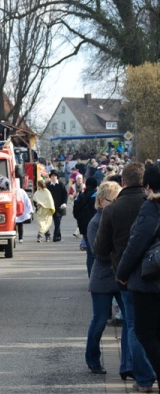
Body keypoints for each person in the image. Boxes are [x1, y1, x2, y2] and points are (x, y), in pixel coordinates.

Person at [94, 162, 155, 390]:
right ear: (145, 182)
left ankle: (144, 378)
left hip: (125, 276)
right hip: (155, 274)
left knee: (133, 325)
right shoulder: (152, 205)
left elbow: (100, 249)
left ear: (122, 182)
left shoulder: (112, 210)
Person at [117, 162, 160, 392]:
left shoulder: (151, 207)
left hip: (150, 281)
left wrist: (122, 274)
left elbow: (136, 244)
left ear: (149, 184)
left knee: (144, 331)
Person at [85, 181, 125, 375]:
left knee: (130, 321)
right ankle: (92, 359)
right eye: (113, 200)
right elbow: (98, 253)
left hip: (121, 276)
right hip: (102, 278)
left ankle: (128, 363)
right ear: (101, 201)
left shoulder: (118, 217)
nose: (117, 204)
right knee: (100, 321)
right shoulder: (94, 223)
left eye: (119, 200)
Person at [73, 177, 98, 277]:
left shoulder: (79, 196)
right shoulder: (97, 196)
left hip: (84, 227)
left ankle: (90, 276)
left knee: (89, 254)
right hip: (96, 226)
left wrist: (81, 220)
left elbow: (75, 213)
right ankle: (96, 276)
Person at [46, 170, 68, 242]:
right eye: (52, 176)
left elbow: (65, 194)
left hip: (59, 207)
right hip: (51, 207)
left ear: (57, 177)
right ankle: (57, 236)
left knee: (57, 221)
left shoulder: (61, 184)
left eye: (55, 176)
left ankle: (56, 236)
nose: (53, 177)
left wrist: (64, 203)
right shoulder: (48, 186)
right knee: (53, 222)